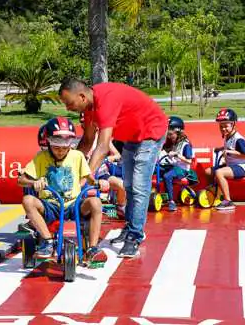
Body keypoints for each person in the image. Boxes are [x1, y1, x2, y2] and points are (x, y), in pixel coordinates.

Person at [59, 78, 167, 258]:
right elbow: (87, 141)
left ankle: (134, 236)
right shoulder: (89, 109)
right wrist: (68, 167)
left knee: (139, 187)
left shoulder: (106, 101)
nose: (68, 108)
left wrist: (84, 178)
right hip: (132, 137)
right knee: (129, 186)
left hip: (151, 132)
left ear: (82, 96)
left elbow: (102, 146)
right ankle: (130, 227)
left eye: (69, 103)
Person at [18, 117, 107, 265]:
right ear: (48, 143)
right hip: (50, 205)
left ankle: (92, 248)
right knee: (27, 200)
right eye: (57, 147)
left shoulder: (77, 156)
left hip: (74, 204)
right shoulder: (41, 157)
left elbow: (88, 177)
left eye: (65, 147)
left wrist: (98, 182)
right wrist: (34, 182)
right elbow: (21, 180)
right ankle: (47, 242)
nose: (61, 151)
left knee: (96, 202)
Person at [205, 108, 245, 210]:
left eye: (226, 126)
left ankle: (228, 201)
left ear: (233, 124)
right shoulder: (228, 136)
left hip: (241, 167)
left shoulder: (238, 139)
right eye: (221, 126)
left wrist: (230, 152)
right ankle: (215, 193)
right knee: (208, 171)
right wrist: (221, 148)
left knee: (219, 173)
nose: (223, 129)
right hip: (231, 165)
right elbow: (230, 147)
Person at [158, 116, 195, 212]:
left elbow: (189, 161)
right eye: (168, 133)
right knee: (155, 169)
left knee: (167, 176)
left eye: (171, 133)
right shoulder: (172, 142)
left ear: (178, 131)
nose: (169, 135)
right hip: (173, 166)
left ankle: (171, 201)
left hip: (182, 169)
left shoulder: (185, 144)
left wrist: (177, 154)